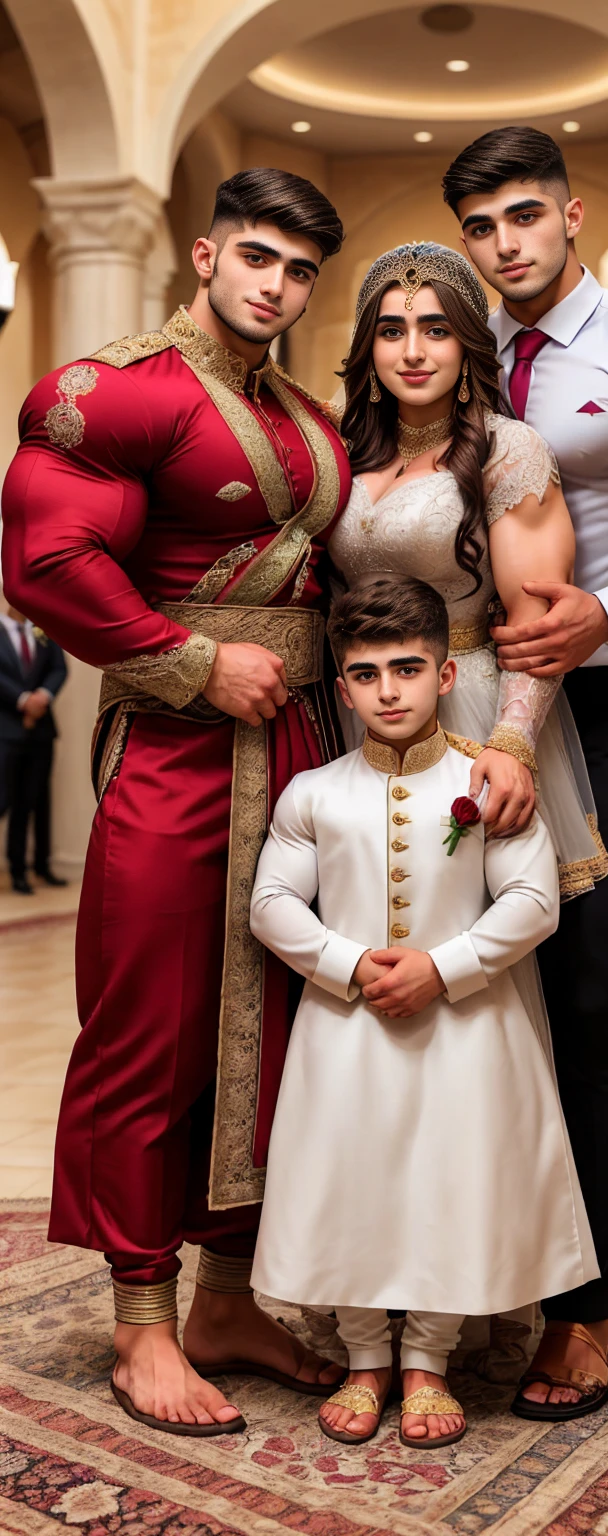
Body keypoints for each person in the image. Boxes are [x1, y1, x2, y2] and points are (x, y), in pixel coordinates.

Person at [1, 167, 352, 1436]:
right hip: (174, 743)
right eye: (257, 255)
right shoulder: (114, 391)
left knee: (269, 1037)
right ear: (205, 256)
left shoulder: (309, 418)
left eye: (301, 269)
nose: (277, 284)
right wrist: (199, 662)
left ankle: (227, 1298)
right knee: (148, 1025)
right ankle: (141, 1324)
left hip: (304, 746)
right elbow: (45, 558)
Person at [249, 575, 600, 1450]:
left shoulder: (488, 783)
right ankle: (367, 1354)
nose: (389, 691)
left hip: (466, 1030)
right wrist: (350, 962)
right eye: (366, 675)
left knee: (452, 1174)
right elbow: (271, 904)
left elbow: (532, 900)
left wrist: (443, 969)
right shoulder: (313, 794)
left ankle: (430, 1358)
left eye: (408, 669)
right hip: (348, 1028)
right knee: (356, 1175)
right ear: (342, 687)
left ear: (446, 675)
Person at [443, 124, 608, 1419]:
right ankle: (475, 1271)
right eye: (480, 225)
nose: (503, 245)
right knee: (477, 1005)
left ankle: (580, 1318)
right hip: (468, 719)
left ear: (572, 215)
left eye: (522, 215)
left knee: (588, 1005)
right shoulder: (452, 356)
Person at [328, 241, 608, 900]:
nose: (413, 351)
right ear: (368, 348)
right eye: (391, 331)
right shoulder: (342, 455)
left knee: (470, 921)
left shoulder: (506, 449)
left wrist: (511, 742)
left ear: (467, 348)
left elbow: (534, 617)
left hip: (473, 710)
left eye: (437, 329)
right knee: (380, 910)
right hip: (358, 710)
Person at [0, 604, 67, 893]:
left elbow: (59, 668)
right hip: (7, 730)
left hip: (42, 730)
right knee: (9, 800)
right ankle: (16, 871)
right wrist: (22, 699)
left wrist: (42, 695)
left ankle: (41, 865)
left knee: (39, 799)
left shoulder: (43, 631)